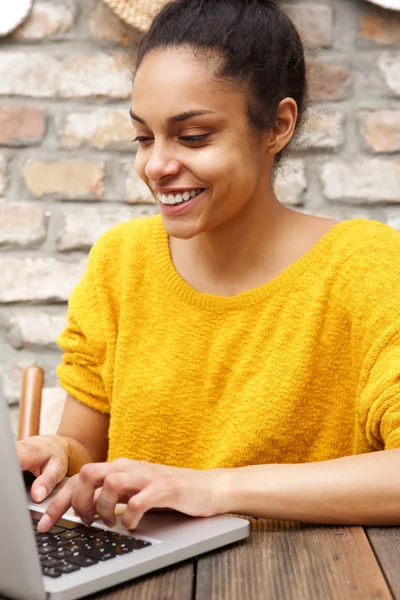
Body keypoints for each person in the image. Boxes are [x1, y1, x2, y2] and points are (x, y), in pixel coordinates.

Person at [18, 0, 400, 532]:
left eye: (193, 136)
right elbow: (89, 447)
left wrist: (212, 488)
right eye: (144, 137)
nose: (155, 166)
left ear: (278, 126)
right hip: (142, 574)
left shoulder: (367, 267)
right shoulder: (121, 262)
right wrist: (59, 451)